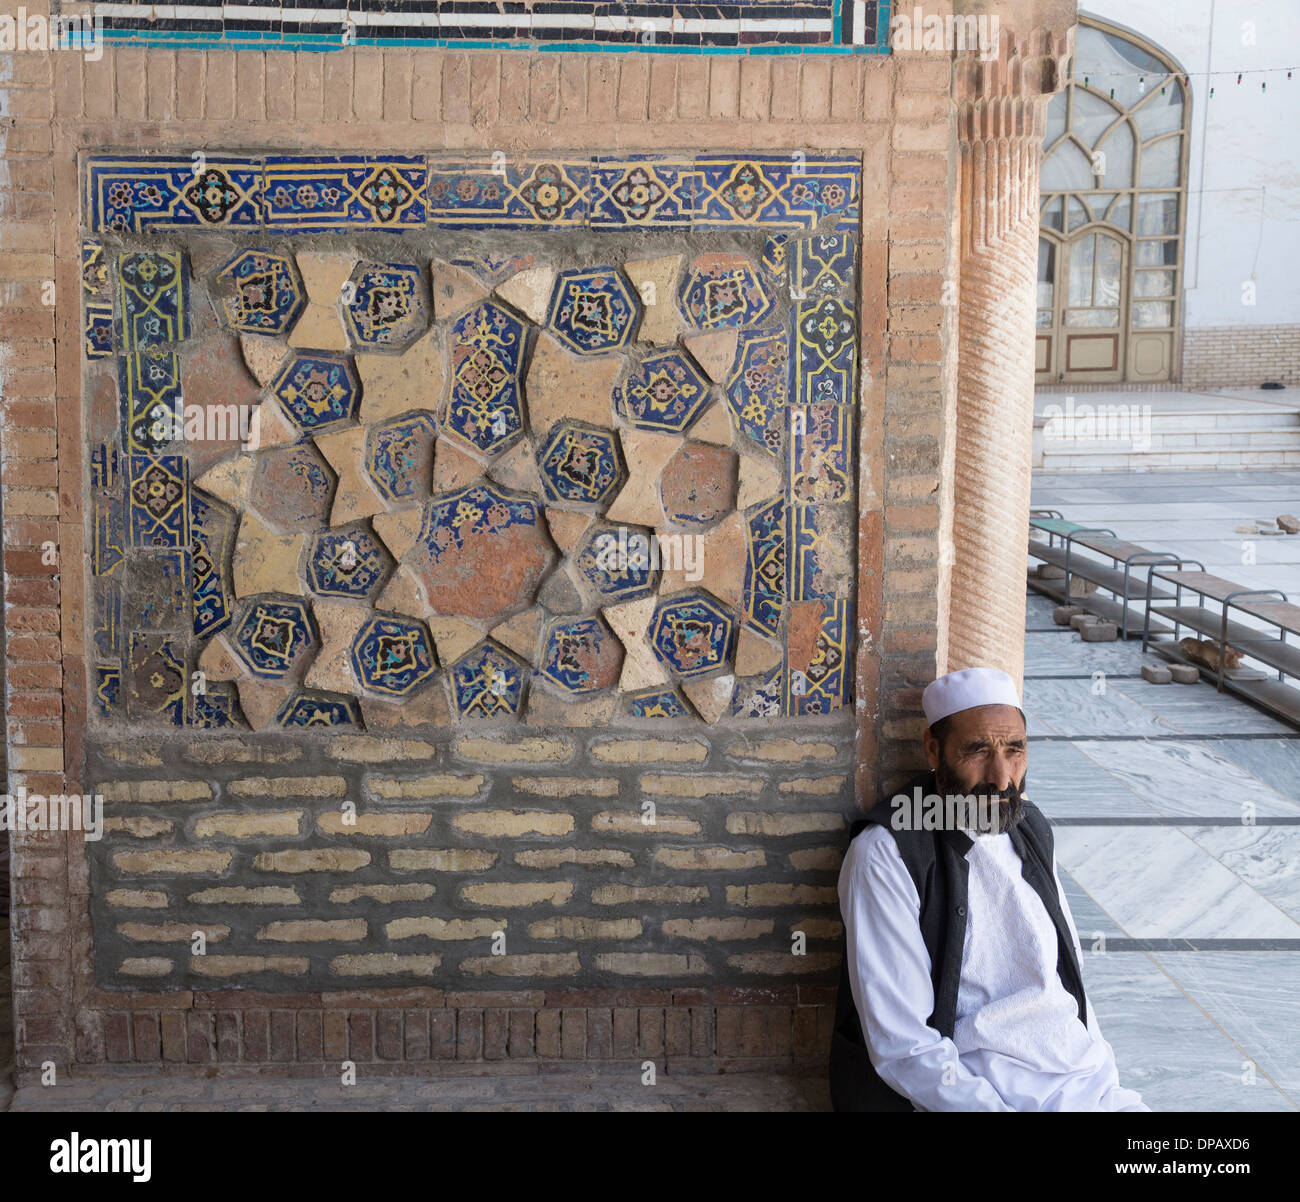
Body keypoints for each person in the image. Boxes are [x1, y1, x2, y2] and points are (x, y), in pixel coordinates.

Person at [829, 667, 1148, 1112]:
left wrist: (1105, 1082)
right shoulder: (887, 854)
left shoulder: (1031, 826)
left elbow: (1066, 978)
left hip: (1086, 1085)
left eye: (1014, 750)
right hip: (978, 1096)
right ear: (933, 750)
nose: (1002, 777)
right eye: (978, 750)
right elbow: (903, 1045)